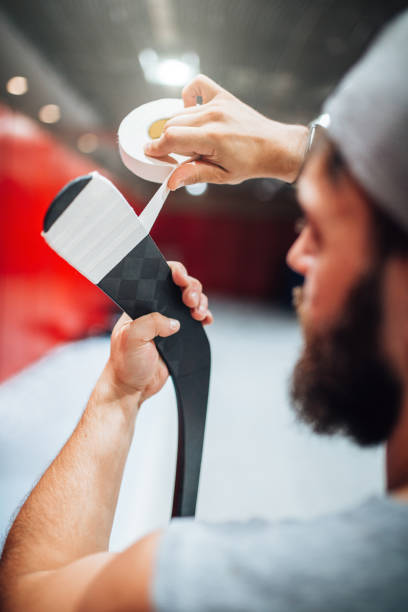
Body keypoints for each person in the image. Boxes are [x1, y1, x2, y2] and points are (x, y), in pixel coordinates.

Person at [1, 9, 408, 612]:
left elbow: (29, 594)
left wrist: (116, 394)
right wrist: (299, 152)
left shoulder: (222, 587)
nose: (296, 255)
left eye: (319, 229)